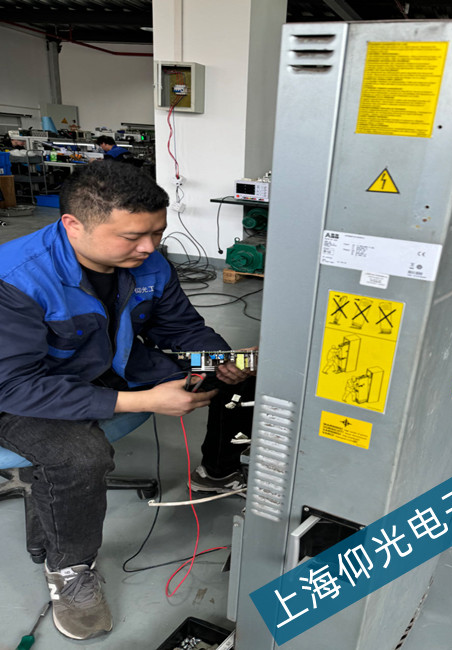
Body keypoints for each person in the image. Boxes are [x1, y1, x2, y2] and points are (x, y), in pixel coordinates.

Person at [0, 161, 253, 640]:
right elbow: (14, 386)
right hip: (20, 393)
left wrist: (218, 358)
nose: (150, 247)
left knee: (234, 374)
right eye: (133, 237)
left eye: (157, 232)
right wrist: (141, 401)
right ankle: (70, 568)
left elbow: (180, 327)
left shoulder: (147, 262)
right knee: (80, 455)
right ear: (73, 225)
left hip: (103, 363)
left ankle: (216, 471)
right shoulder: (16, 279)